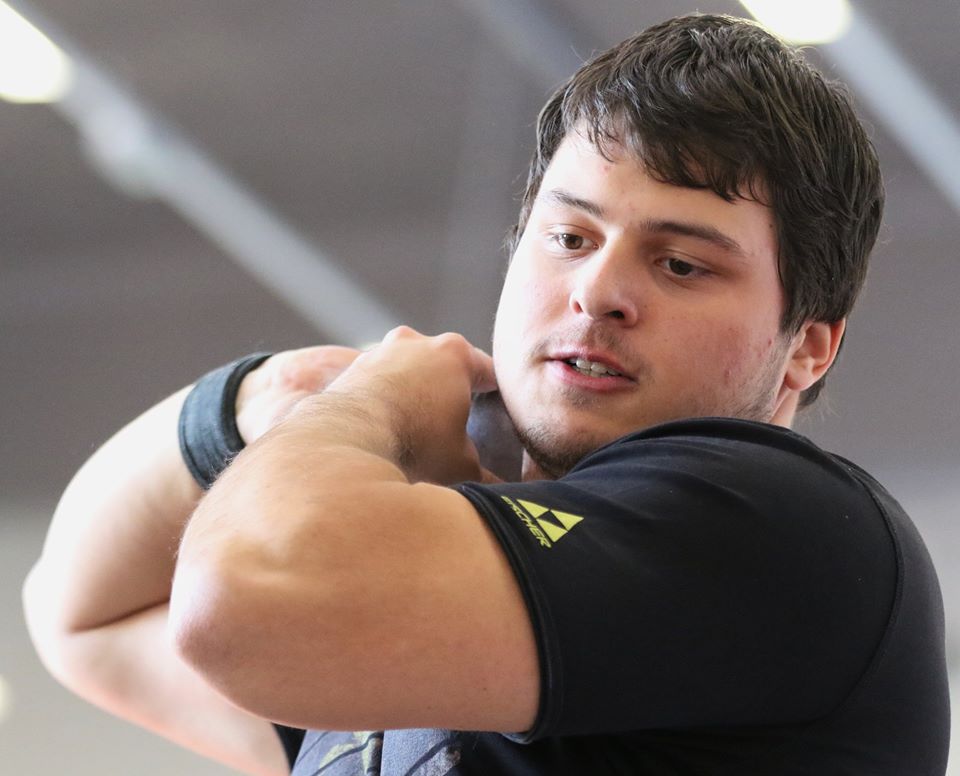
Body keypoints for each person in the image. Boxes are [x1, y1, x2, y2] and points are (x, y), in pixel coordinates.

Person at [22, 12, 949, 776]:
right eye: (570, 238)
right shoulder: (436, 628)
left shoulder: (781, 527)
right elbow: (81, 618)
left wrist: (368, 411)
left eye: (680, 264)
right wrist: (262, 395)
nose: (598, 292)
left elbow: (239, 607)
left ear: (807, 348)